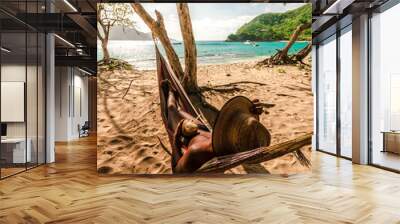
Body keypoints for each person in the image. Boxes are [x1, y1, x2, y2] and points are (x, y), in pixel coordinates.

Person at [161, 80, 271, 173]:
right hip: (207, 132)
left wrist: (176, 137)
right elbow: (247, 129)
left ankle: (171, 92)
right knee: (180, 110)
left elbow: (176, 170)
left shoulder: (196, 152)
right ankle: (177, 99)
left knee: (172, 108)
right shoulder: (236, 150)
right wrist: (252, 109)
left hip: (189, 133)